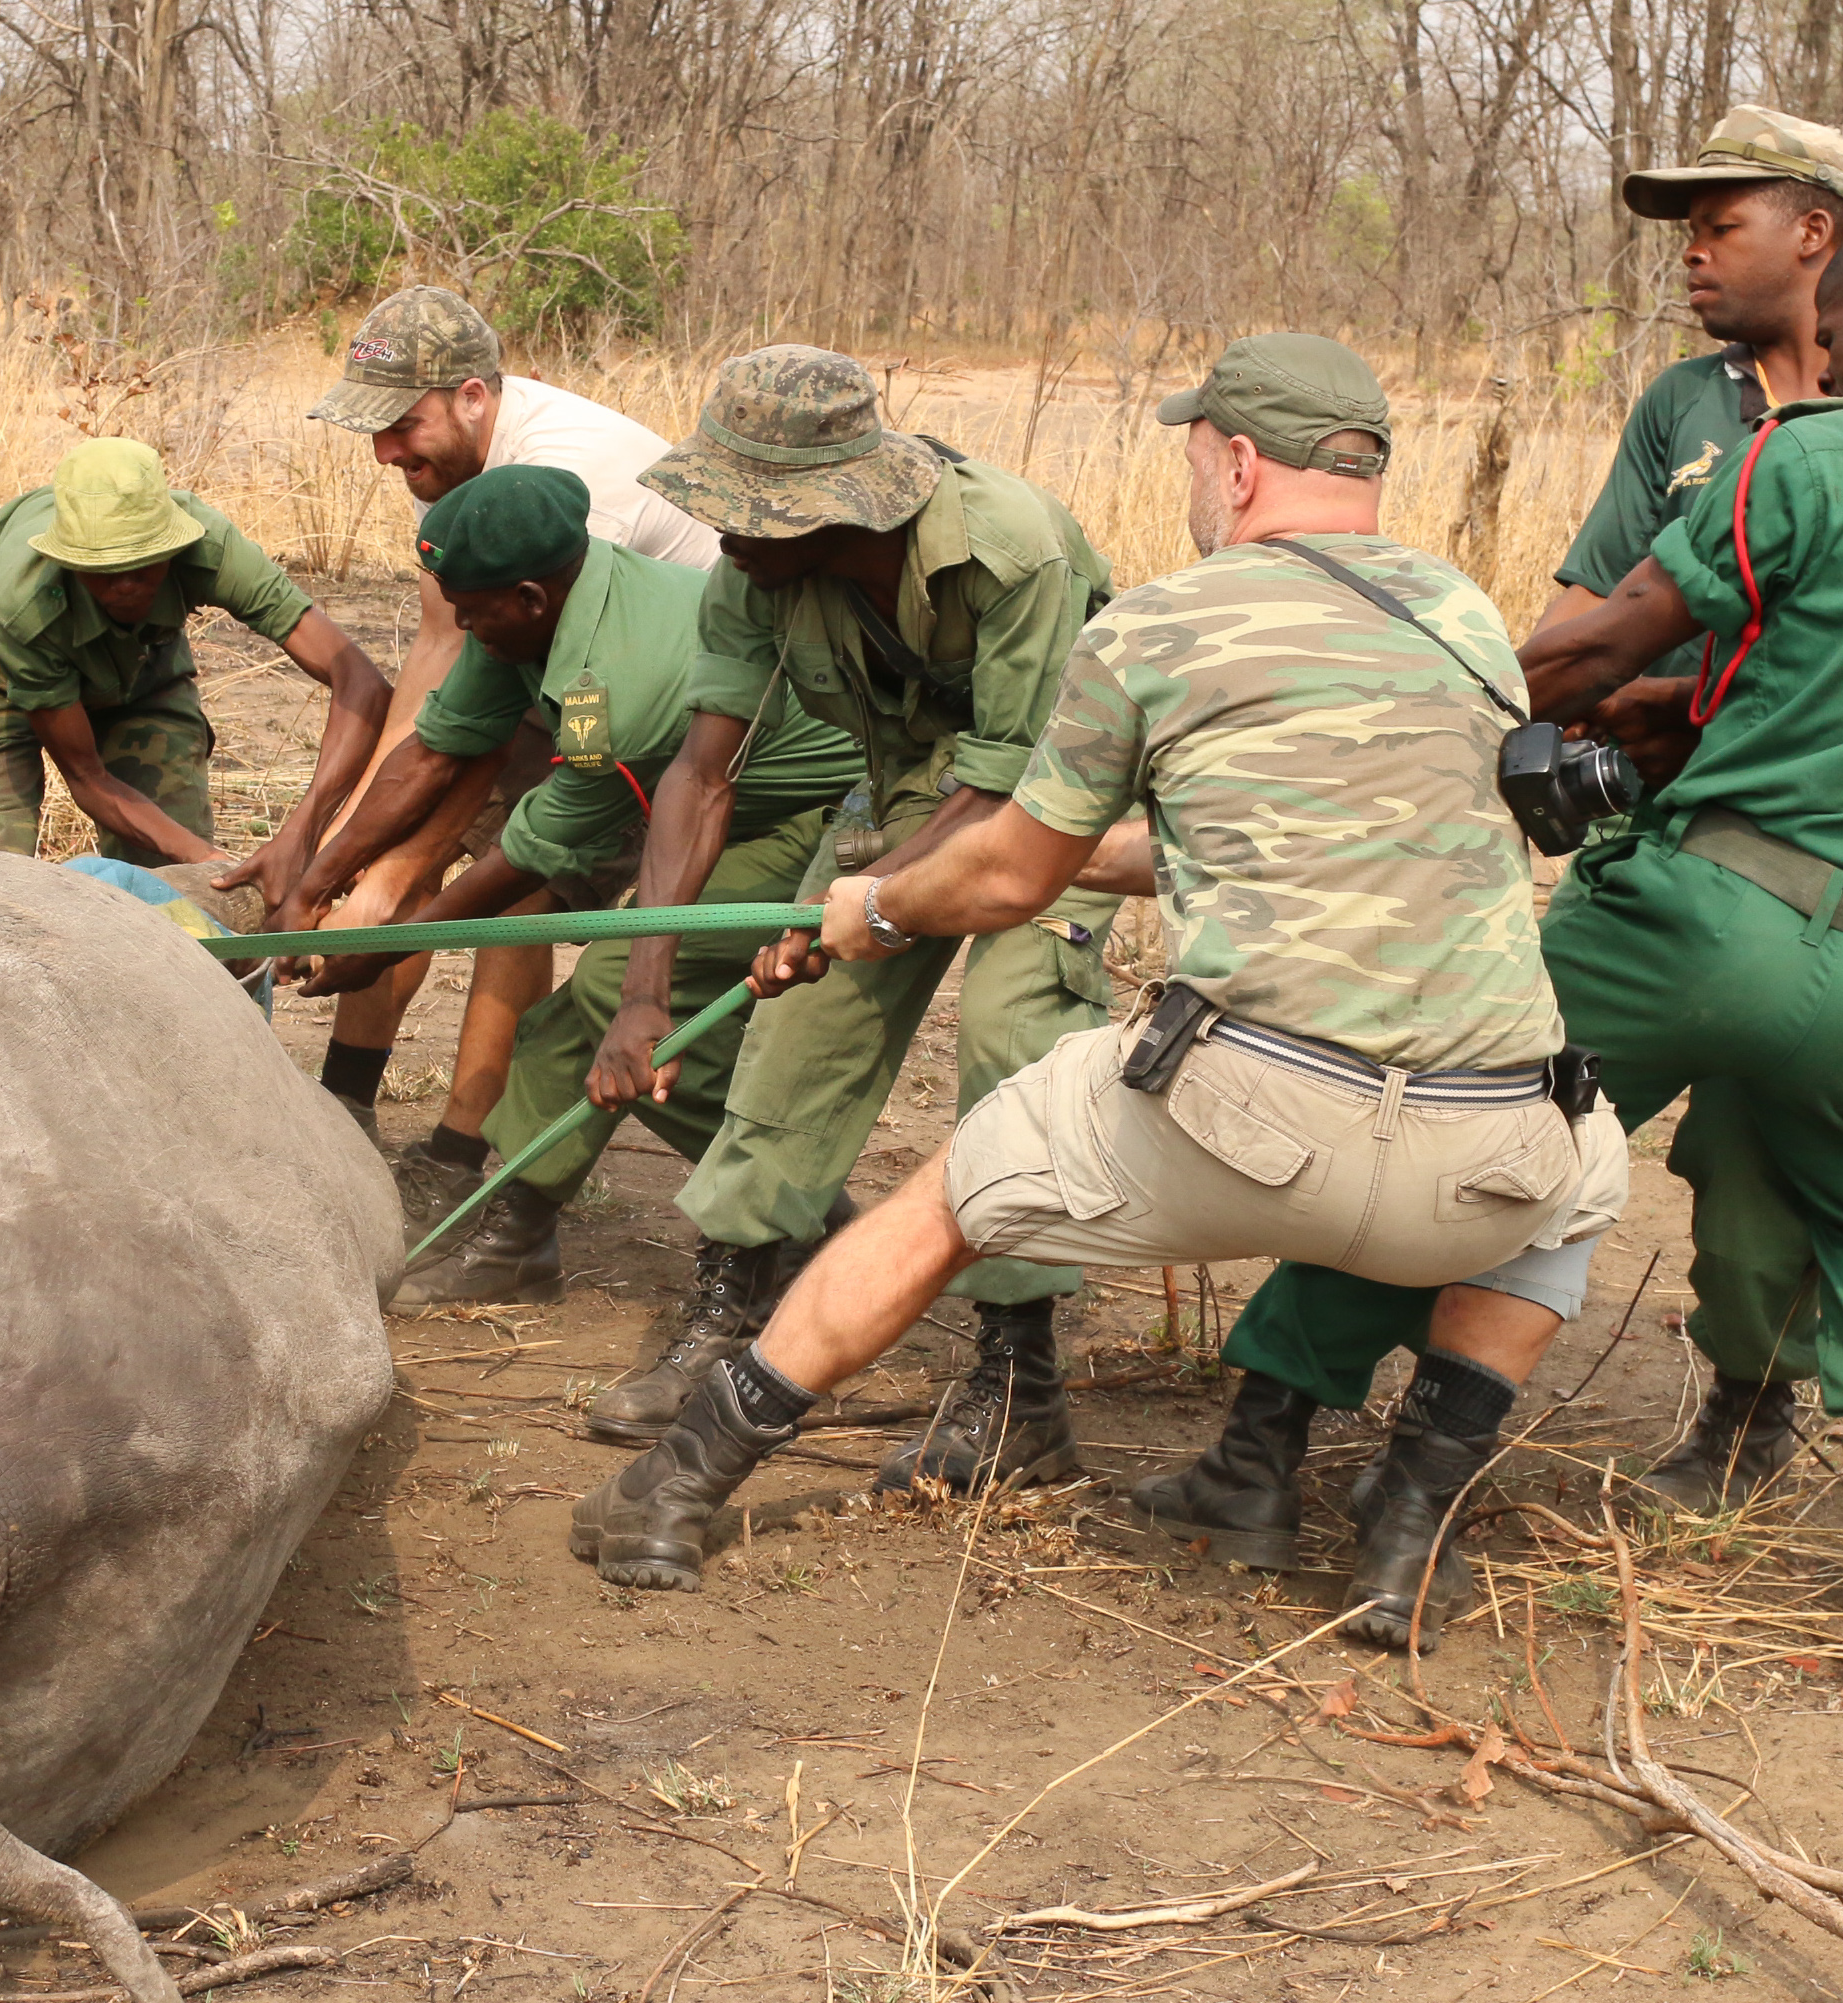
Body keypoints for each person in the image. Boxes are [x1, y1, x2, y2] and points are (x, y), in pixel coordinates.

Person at [565, 335, 1624, 1636]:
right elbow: (1313, 835)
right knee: (1584, 1179)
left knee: (942, 1197)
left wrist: (876, 903)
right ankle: (1408, 1521)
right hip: (1487, 1153)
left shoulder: (1156, 623)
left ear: (1236, 462)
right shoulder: (1463, 619)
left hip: (1245, 1127)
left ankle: (678, 1486)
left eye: (1192, 451)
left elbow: (1010, 873)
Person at [1301, 203, 1843, 1638]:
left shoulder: (1795, 462)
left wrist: (1429, 710)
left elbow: (1592, 642)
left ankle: (1311, 1469)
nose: (1832, 352)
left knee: (1466, 1136)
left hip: (1687, 913)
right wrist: (1702, 706)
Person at [1218, 104, 1843, 1521]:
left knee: (1770, 1163)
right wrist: (1490, 721)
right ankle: (1266, 1430)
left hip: (1834, 859)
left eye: (1723, 225)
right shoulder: (1686, 408)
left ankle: (1741, 1411)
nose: (1694, 255)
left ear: (1816, 232)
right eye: (1689, 233)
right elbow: (1588, 614)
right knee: (1481, 1114)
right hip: (1662, 843)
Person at [562, 344, 1126, 1484]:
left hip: (1064, 789)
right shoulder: (754, 574)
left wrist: (859, 906)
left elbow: (1013, 780)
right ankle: (739, 1299)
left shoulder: (1009, 548)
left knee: (1017, 1042)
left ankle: (1017, 1381)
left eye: (744, 513)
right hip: (921, 780)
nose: (719, 537)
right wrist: (643, 985)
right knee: (794, 1037)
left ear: (822, 511)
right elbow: (700, 774)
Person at [294, 465, 863, 1320]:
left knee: (615, 994)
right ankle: (517, 1240)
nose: (461, 625)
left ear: (527, 597)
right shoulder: (532, 617)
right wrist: (315, 874)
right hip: (712, 799)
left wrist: (389, 943)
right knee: (570, 1020)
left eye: (472, 609)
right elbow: (434, 747)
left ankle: (808, 1214)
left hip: (811, 818)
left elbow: (534, 849)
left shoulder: (612, 682)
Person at [276, 287, 718, 1196]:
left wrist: (396, 883)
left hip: (658, 704)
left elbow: (510, 714)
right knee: (395, 849)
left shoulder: (567, 488)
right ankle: (344, 1106)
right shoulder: (458, 481)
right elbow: (446, 663)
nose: (384, 451)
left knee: (518, 888)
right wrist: (341, 851)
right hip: (548, 671)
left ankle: (458, 1154)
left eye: (401, 424)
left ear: (472, 396)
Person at [0, 437, 389, 877]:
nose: (126, 585)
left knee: (171, 874)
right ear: (68, 557)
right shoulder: (22, 603)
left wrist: (304, 836)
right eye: (104, 569)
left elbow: (356, 677)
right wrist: (210, 859)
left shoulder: (209, 546)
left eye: (144, 564)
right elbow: (86, 776)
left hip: (138, 657)